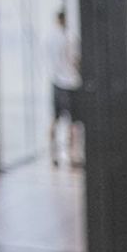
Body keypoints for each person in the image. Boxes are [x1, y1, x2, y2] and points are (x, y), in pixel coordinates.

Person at [48, 9, 80, 168]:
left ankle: (53, 155)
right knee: (72, 123)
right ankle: (72, 156)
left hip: (56, 82)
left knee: (55, 120)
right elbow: (76, 60)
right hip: (70, 82)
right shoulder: (70, 37)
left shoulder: (50, 38)